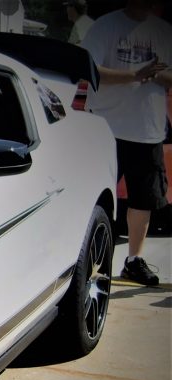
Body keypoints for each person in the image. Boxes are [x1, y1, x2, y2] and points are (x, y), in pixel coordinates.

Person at [81, 0, 172, 286]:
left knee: (142, 200)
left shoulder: (163, 30)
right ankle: (82, 258)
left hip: (148, 129)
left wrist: (154, 74)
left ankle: (133, 260)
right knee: (95, 197)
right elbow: (91, 70)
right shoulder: (105, 26)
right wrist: (135, 75)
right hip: (108, 128)